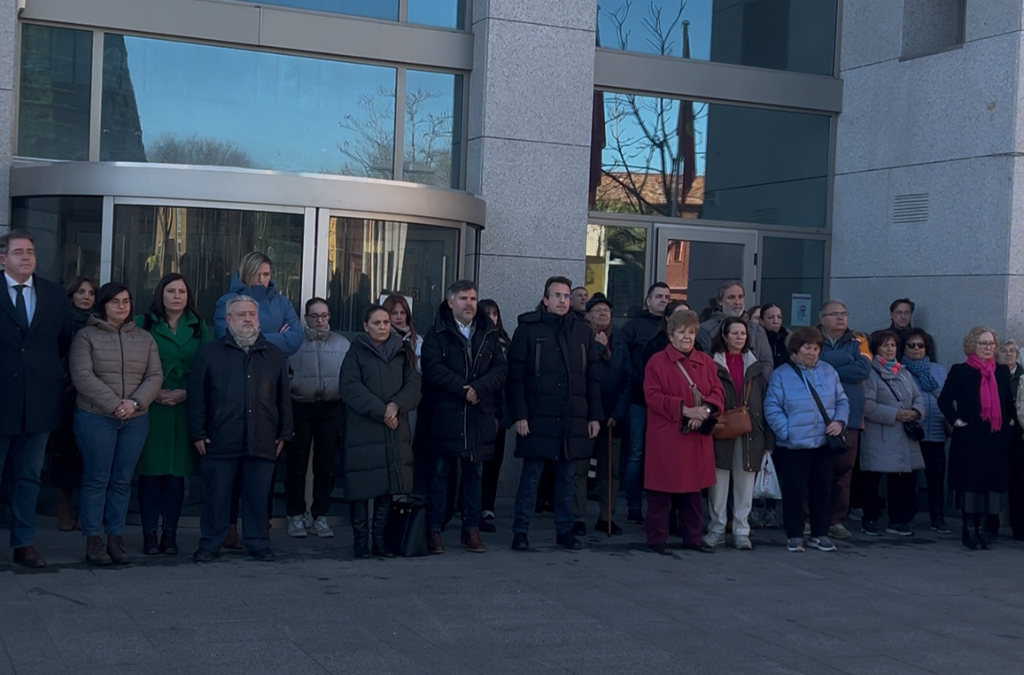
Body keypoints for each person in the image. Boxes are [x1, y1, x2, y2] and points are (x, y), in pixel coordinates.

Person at [188, 295, 293, 562]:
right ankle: (210, 543)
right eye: (241, 314)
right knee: (217, 497)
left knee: (258, 497)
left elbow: (283, 398)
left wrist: (284, 432)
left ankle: (258, 542)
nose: (247, 319)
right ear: (228, 320)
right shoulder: (209, 353)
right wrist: (198, 432)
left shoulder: (273, 354)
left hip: (262, 437)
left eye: (251, 314)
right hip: (219, 437)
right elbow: (198, 396)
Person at [507, 276, 602, 551]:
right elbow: (515, 379)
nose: (562, 300)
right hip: (536, 417)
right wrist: (519, 415)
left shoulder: (582, 331)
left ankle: (565, 531)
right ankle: (520, 532)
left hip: (572, 418)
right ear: (545, 299)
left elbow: (593, 378)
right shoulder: (527, 329)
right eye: (556, 295)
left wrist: (594, 416)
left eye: (566, 296)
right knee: (531, 479)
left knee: (567, 480)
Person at [70, 283, 162, 565]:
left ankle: (115, 537)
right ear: (103, 305)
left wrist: (133, 404)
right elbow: (82, 375)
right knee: (97, 479)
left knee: (122, 481)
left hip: (135, 419)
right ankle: (93, 540)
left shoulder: (145, 338)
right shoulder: (86, 336)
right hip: (96, 417)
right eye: (115, 302)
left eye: (126, 301)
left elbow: (155, 375)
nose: (122, 307)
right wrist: (114, 404)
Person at [213, 251, 302, 547]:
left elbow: (296, 339)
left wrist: (255, 335)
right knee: (233, 473)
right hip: (234, 391)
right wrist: (274, 335)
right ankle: (228, 527)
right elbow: (225, 335)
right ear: (246, 273)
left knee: (262, 470)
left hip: (268, 390)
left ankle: (260, 529)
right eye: (259, 274)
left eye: (267, 274)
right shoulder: (225, 302)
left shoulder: (282, 302)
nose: (264, 280)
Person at [0, 229, 73, 568]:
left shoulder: (55, 294)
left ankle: (24, 543)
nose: (26, 257)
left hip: (39, 402)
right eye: (18, 252)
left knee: (29, 475)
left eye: (30, 251)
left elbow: (61, 342)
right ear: (3, 258)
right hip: (2, 399)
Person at [421, 281, 507, 554]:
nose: (469, 303)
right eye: (463, 298)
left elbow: (500, 369)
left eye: (472, 298)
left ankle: (471, 529)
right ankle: (434, 529)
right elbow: (433, 369)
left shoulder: (489, 333)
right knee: (440, 475)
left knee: (474, 475)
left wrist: (478, 389)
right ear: (450, 302)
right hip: (446, 414)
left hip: (478, 415)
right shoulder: (436, 332)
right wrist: (463, 389)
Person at [135, 274, 211, 556]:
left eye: (181, 291)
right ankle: (148, 534)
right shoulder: (144, 322)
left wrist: (188, 393)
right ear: (160, 294)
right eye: (170, 291)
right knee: (150, 474)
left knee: (176, 475)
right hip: (151, 406)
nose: (176, 296)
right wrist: (151, 392)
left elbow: (207, 367)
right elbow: (132, 362)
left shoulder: (198, 326)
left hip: (184, 407)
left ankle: (170, 534)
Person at [339, 305, 421, 559]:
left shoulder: (402, 351)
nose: (384, 327)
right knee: (363, 487)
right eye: (377, 323)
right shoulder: (356, 352)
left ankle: (381, 541)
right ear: (366, 326)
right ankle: (361, 541)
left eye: (386, 322)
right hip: (365, 429)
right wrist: (382, 411)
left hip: (394, 429)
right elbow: (350, 387)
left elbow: (414, 384)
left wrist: (395, 406)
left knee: (388, 486)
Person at [643, 310, 722, 554]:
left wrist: (705, 411)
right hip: (668, 434)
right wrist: (685, 410)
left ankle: (693, 537)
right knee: (661, 491)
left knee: (693, 491)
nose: (686, 337)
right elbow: (653, 396)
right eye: (681, 332)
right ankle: (657, 539)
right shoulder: (657, 361)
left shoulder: (706, 361)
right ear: (670, 335)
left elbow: (718, 391)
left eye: (691, 332)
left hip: (696, 435)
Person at [764, 326, 850, 553]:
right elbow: (772, 407)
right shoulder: (781, 373)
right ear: (796, 349)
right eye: (807, 348)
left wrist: (839, 422)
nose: (812, 352)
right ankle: (794, 534)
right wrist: (787, 432)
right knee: (795, 491)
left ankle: (820, 533)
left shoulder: (829, 372)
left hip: (823, 442)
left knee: (823, 489)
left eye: (816, 348)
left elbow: (842, 401)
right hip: (793, 445)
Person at [938, 326, 1016, 550]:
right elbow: (944, 401)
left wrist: (1009, 421)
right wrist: (956, 421)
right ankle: (968, 529)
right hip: (970, 438)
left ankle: (983, 529)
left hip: (995, 437)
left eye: (991, 344)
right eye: (983, 343)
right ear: (972, 345)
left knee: (991, 484)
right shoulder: (961, 371)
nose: (988, 348)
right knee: (971, 483)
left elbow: (1007, 402)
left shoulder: (1000, 371)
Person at [705, 317, 773, 551]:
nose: (739, 337)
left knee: (745, 484)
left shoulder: (755, 367)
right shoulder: (711, 364)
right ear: (724, 336)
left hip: (751, 431)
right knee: (718, 483)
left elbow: (765, 402)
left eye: (742, 333)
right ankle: (716, 528)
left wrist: (768, 439)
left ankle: (742, 530)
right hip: (721, 428)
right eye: (734, 333)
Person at [285, 297, 350, 539]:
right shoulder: (294, 342)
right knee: (296, 464)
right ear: (306, 317)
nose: (320, 321)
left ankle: (320, 516)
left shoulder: (343, 344)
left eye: (324, 315)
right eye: (315, 316)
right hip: (300, 406)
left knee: (326, 464)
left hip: (331, 407)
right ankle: (295, 516)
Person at [860, 330, 927, 537]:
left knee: (903, 479)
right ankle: (870, 517)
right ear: (876, 349)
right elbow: (867, 406)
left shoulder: (903, 372)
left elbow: (918, 397)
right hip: (881, 433)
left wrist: (916, 412)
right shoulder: (870, 373)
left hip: (904, 434)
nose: (890, 349)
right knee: (874, 478)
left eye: (892, 345)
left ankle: (899, 519)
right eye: (885, 345)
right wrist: (895, 414)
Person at [574, 295, 631, 536]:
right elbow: (579, 372)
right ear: (587, 315)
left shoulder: (619, 340)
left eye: (607, 310)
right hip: (585, 416)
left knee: (610, 470)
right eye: (597, 310)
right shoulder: (580, 337)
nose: (603, 314)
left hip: (612, 416)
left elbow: (629, 379)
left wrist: (618, 413)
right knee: (579, 469)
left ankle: (606, 516)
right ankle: (577, 517)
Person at [816, 300, 871, 540]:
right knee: (814, 469)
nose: (841, 318)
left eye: (844, 314)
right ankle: (809, 518)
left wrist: (829, 366)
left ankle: (835, 520)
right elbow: (811, 367)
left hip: (850, 417)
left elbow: (863, 370)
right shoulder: (811, 339)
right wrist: (844, 362)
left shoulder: (859, 341)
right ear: (822, 318)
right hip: (816, 415)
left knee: (843, 470)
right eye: (834, 314)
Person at [620, 282, 672, 524]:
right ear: (648, 300)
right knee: (636, 454)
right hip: (639, 401)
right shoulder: (633, 326)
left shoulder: (674, 328)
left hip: (667, 405)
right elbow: (624, 360)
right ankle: (633, 506)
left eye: (667, 297)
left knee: (662, 455)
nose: (663, 300)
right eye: (659, 296)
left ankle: (659, 508)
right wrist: (636, 381)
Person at [49, 276, 97, 532]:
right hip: (64, 394)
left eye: (91, 293)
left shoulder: (99, 323)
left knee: (89, 455)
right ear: (72, 295)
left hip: (93, 394)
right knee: (64, 453)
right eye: (81, 292)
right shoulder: (61, 320)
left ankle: (85, 510)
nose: (86, 297)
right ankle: (63, 505)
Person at [901, 328, 951, 533]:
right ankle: (907, 516)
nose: (916, 349)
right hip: (912, 431)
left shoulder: (938, 369)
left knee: (936, 478)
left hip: (937, 430)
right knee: (908, 478)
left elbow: (947, 396)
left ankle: (937, 518)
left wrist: (930, 384)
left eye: (920, 345)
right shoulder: (900, 370)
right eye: (911, 345)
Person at [479, 299, 511, 533]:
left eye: (495, 314)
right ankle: (470, 504)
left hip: (501, 408)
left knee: (495, 460)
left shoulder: (506, 342)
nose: (492, 318)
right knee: (476, 462)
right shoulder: (476, 341)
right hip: (480, 407)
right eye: (487, 313)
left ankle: (488, 505)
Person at [697, 281, 774, 377]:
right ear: (720, 301)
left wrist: (757, 386)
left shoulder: (757, 330)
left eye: (740, 297)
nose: (737, 302)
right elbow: (709, 362)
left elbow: (767, 363)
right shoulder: (705, 329)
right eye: (731, 297)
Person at [995, 339, 1021, 538]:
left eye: (1013, 351)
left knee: (1019, 483)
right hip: (997, 435)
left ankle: (1019, 527)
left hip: (1019, 438)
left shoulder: (1023, 376)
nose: (1009, 354)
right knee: (995, 481)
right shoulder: (991, 375)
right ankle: (992, 525)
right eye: (1004, 351)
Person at [383, 294, 422, 370]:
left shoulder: (417, 341)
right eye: (394, 313)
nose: (399, 317)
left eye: (402, 313)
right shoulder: (380, 339)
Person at [760, 303, 790, 371]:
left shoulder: (789, 338)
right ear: (761, 321)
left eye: (779, 317)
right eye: (771, 317)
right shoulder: (757, 339)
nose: (776, 321)